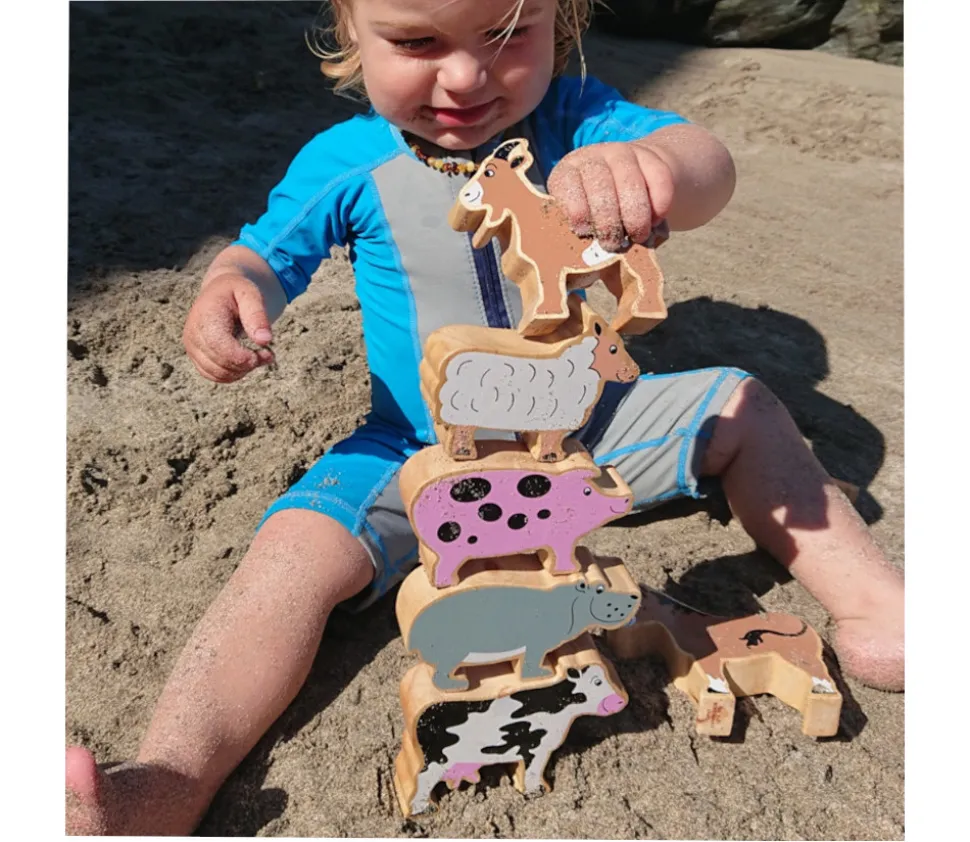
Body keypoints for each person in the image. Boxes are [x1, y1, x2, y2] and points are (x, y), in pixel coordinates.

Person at [66, 0, 904, 834]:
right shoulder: (347, 161)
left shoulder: (580, 122)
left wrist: (646, 165)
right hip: (413, 444)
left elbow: (706, 166)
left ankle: (878, 608)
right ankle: (169, 777)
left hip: (588, 428)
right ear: (353, 34)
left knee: (743, 403)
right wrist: (230, 289)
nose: (466, 76)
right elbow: (262, 254)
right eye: (417, 41)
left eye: (507, 36)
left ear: (560, 21)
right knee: (291, 553)